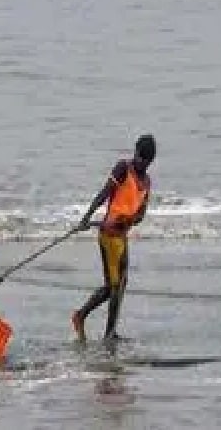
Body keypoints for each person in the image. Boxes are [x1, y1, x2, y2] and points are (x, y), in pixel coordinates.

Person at [71, 134, 157, 344]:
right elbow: (104, 194)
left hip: (121, 235)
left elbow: (141, 214)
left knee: (120, 284)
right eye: (137, 155)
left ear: (149, 161)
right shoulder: (122, 169)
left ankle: (102, 327)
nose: (138, 160)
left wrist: (130, 220)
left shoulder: (146, 182)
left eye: (142, 158)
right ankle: (94, 324)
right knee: (114, 286)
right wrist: (86, 217)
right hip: (108, 236)